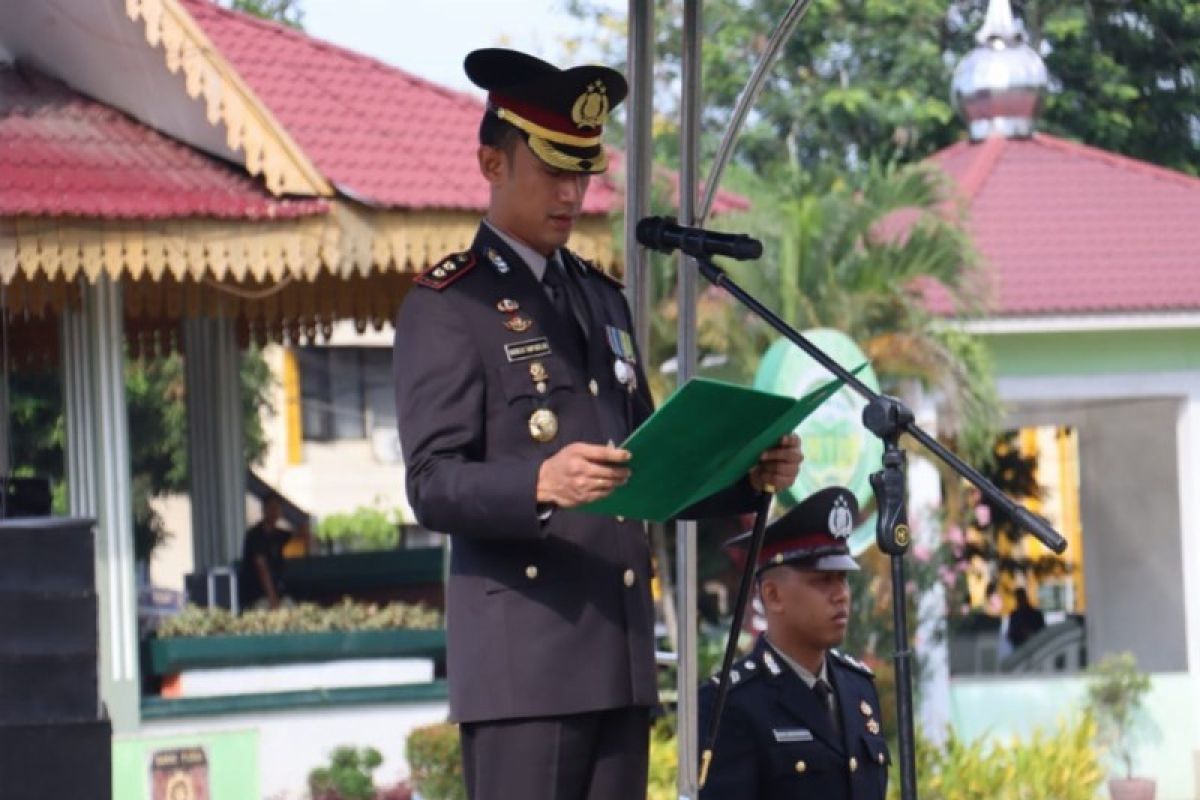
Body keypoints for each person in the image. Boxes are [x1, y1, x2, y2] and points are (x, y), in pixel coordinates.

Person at [392, 47, 804, 800]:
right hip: (525, 668)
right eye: (552, 169)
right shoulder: (451, 304)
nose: (571, 191)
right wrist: (539, 482)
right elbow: (430, 483)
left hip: (618, 656)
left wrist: (746, 474)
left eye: (582, 171)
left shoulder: (600, 297)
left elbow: (649, 467)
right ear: (492, 163)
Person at [698, 486, 888, 800]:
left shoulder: (858, 687)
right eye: (823, 580)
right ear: (772, 595)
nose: (840, 594)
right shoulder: (728, 704)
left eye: (843, 578)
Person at [237, 492, 293, 610]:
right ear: (264, 509)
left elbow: (297, 535)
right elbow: (262, 567)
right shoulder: (255, 535)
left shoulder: (279, 535)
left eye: (277, 508)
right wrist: (273, 600)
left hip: (279, 594)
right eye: (271, 507)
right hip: (257, 596)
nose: (274, 511)